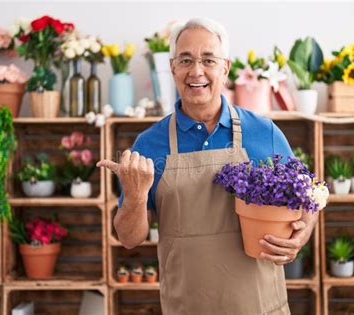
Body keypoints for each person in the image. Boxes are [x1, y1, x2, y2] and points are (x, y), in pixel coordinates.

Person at [97, 17, 318, 315]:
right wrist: (136, 196)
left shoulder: (263, 132)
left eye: (208, 60)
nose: (196, 71)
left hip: (260, 306)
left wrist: (300, 236)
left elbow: (311, 197)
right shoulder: (149, 144)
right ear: (173, 68)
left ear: (225, 68)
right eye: (185, 60)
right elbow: (128, 238)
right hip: (187, 306)